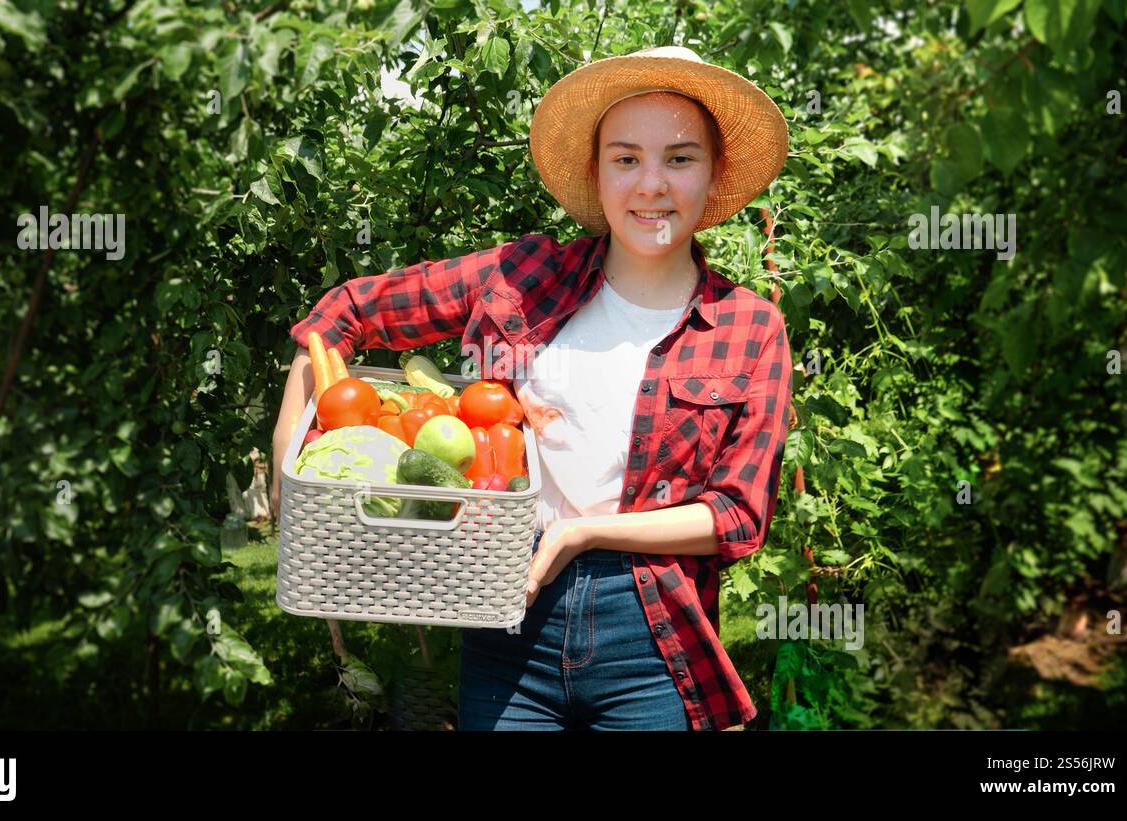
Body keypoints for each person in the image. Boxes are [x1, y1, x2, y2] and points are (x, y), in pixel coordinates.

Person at [276, 46, 792, 731]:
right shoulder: (524, 277)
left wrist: (583, 533)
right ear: (596, 172)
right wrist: (288, 442)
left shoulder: (750, 327)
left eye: (680, 158)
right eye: (626, 158)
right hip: (506, 614)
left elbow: (736, 515)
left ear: (715, 172)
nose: (651, 185)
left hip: (651, 631)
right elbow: (345, 312)